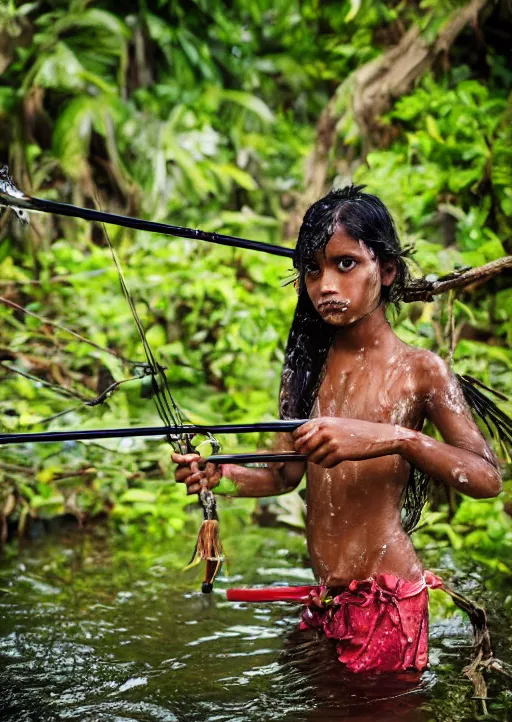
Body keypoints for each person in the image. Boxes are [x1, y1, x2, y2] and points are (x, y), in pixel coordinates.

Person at [172, 186, 502, 674]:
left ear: (386, 271)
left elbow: (486, 478)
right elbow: (284, 477)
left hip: (387, 602)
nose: (326, 284)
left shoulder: (419, 371)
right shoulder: (304, 370)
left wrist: (394, 437)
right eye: (312, 269)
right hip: (325, 601)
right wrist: (223, 474)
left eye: (345, 264)